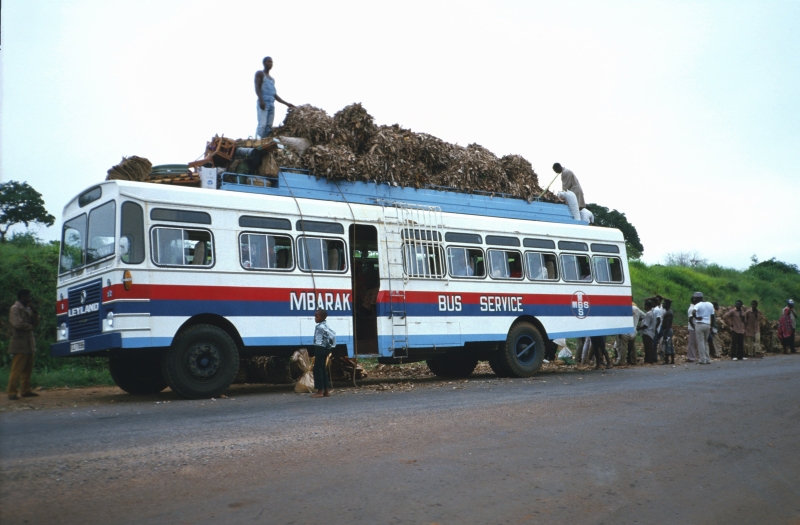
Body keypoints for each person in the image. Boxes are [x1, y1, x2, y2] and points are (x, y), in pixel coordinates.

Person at [7, 289, 40, 400]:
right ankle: (12, 392)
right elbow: (18, 324)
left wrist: (34, 311)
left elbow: (36, 322)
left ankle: (25, 390)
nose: (29, 298)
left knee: (27, 370)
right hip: (20, 343)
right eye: (27, 296)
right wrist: (30, 326)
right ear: (22, 296)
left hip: (29, 343)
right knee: (17, 369)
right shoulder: (15, 308)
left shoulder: (28, 309)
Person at [254, 56, 295, 139]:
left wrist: (286, 103)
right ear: (264, 63)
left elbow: (274, 95)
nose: (271, 64)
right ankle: (256, 142)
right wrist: (261, 100)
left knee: (269, 126)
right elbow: (257, 87)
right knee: (262, 124)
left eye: (271, 62)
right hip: (264, 102)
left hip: (271, 103)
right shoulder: (260, 73)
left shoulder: (272, 79)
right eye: (269, 62)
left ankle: (263, 143)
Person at [311, 308, 336, 398]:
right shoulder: (325, 325)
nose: (315, 318)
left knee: (317, 369)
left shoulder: (320, 327)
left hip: (320, 348)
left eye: (316, 316)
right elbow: (333, 335)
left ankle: (320, 391)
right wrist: (330, 346)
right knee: (322, 368)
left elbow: (318, 340)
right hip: (325, 349)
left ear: (322, 317)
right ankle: (326, 390)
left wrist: (319, 347)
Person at [692, 292, 714, 365]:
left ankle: (702, 359)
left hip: (700, 324)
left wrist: (696, 317)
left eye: (695, 298)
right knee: (705, 342)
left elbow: (693, 312)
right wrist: (712, 325)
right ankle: (707, 359)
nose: (694, 299)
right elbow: (713, 316)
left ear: (698, 298)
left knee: (700, 342)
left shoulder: (698, 305)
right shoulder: (710, 304)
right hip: (707, 324)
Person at [640, 300, 657, 364]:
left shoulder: (648, 314)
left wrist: (638, 328)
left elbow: (645, 325)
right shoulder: (652, 312)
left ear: (647, 306)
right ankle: (647, 359)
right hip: (651, 332)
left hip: (647, 332)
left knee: (648, 347)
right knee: (649, 346)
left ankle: (649, 360)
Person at [661, 299, 675, 364]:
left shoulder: (668, 313)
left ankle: (667, 360)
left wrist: (665, 334)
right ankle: (672, 360)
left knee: (667, 345)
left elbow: (668, 324)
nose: (663, 304)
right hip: (668, 330)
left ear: (667, 305)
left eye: (664, 303)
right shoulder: (668, 312)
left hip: (667, 330)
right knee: (670, 344)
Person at [686, 295, 700, 362]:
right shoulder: (692, 309)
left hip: (693, 327)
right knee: (692, 343)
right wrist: (694, 328)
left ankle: (692, 356)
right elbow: (690, 320)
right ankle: (691, 357)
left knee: (693, 342)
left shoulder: (694, 307)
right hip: (692, 327)